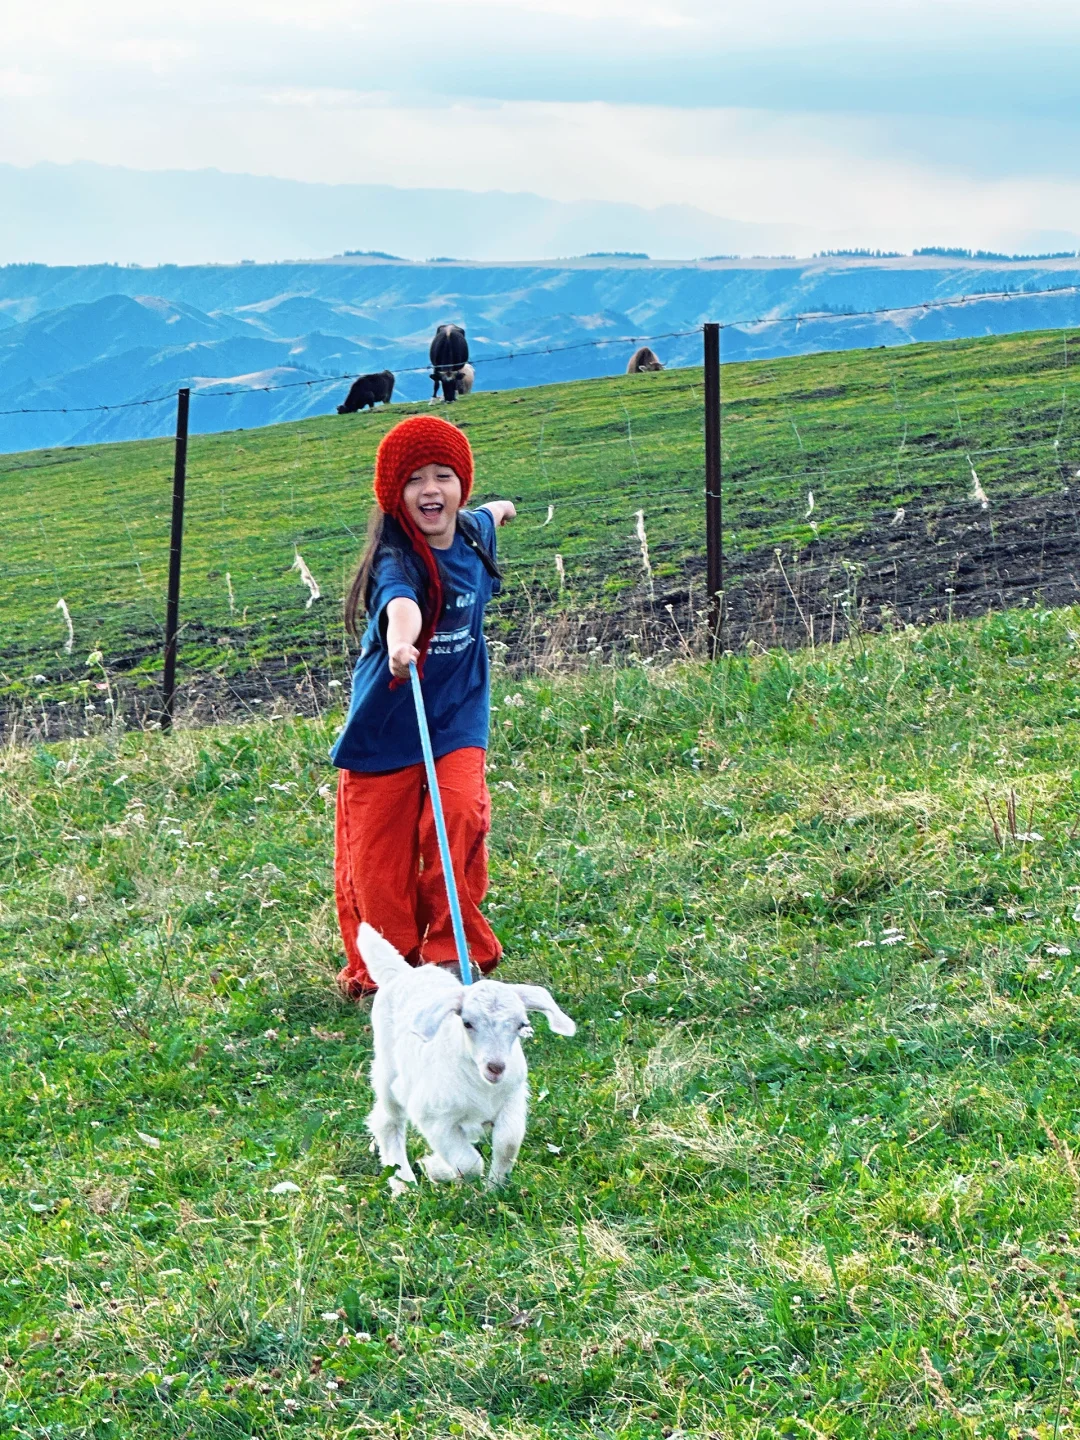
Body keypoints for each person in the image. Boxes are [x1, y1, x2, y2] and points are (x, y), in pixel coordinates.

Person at [331, 414, 516, 996]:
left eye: (444, 476)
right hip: (387, 723)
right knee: (378, 864)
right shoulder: (396, 561)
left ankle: (452, 951)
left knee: (457, 814)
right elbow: (401, 605)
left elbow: (494, 512)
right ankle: (390, 969)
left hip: (456, 715)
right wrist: (401, 640)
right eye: (415, 480)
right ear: (394, 496)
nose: (430, 490)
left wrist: (503, 507)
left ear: (462, 486)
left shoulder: (472, 532)